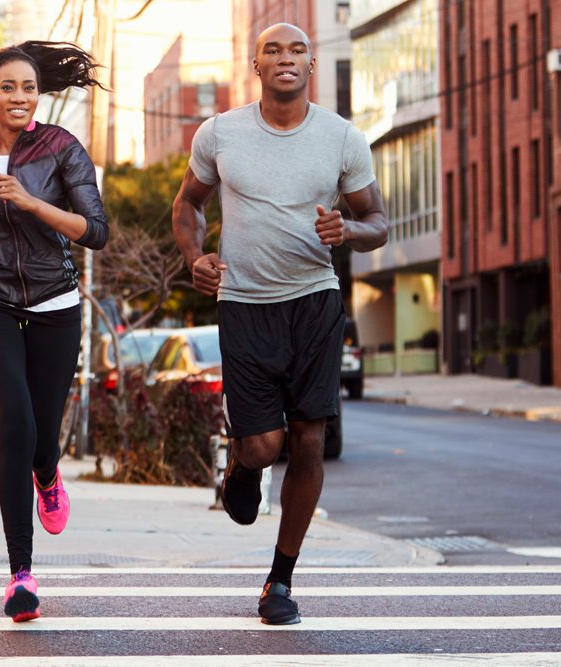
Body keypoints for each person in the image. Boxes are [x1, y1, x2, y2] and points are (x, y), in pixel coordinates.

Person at [172, 23, 387, 625]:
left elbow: (378, 222)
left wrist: (349, 230)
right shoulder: (220, 134)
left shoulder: (343, 139)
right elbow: (188, 203)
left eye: (296, 50)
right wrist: (195, 259)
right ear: (256, 65)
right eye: (273, 50)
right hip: (244, 301)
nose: (285, 58)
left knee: (309, 439)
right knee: (265, 445)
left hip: (315, 301)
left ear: (311, 66)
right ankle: (242, 463)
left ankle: (280, 581)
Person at [0, 41, 109, 622]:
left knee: (43, 432)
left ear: (40, 96)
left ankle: (49, 473)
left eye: (30, 88)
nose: (19, 97)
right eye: (8, 87)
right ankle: (21, 575)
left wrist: (35, 203)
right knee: (14, 421)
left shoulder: (62, 148)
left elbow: (96, 230)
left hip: (55, 304)